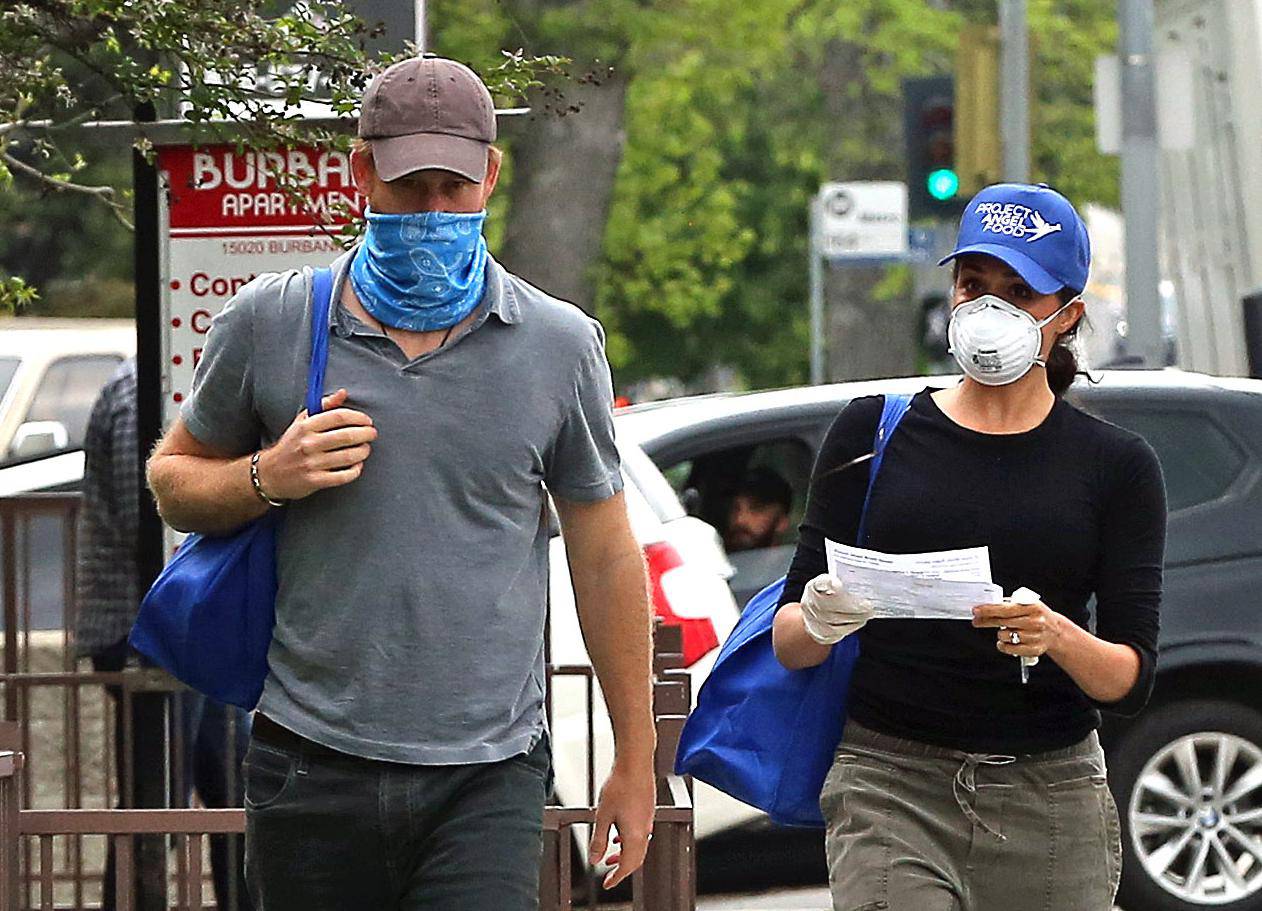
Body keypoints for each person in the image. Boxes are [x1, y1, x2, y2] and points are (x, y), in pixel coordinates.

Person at [146, 55, 656, 911]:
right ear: (361, 173)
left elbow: (605, 556)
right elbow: (172, 480)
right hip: (309, 760)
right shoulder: (274, 319)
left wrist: (636, 763)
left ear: (491, 175)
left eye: (453, 187)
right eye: (409, 183)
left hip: (487, 777)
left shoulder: (559, 345)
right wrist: (271, 474)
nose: (431, 210)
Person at [771, 183, 1166, 911]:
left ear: (1067, 315)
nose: (990, 310)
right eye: (974, 285)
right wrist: (822, 616)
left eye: (1020, 292)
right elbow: (791, 642)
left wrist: (1056, 635)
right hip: (890, 782)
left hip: (1050, 793)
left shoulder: (1116, 464)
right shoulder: (871, 434)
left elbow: (1129, 678)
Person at [76, 357, 251, 910]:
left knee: (230, 792)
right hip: (149, 630)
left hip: (175, 627)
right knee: (158, 805)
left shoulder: (150, 386)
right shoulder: (143, 390)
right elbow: (150, 517)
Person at [723, 466, 792, 552]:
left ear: (782, 522)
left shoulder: (795, 564)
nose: (739, 520)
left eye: (755, 509)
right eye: (735, 508)